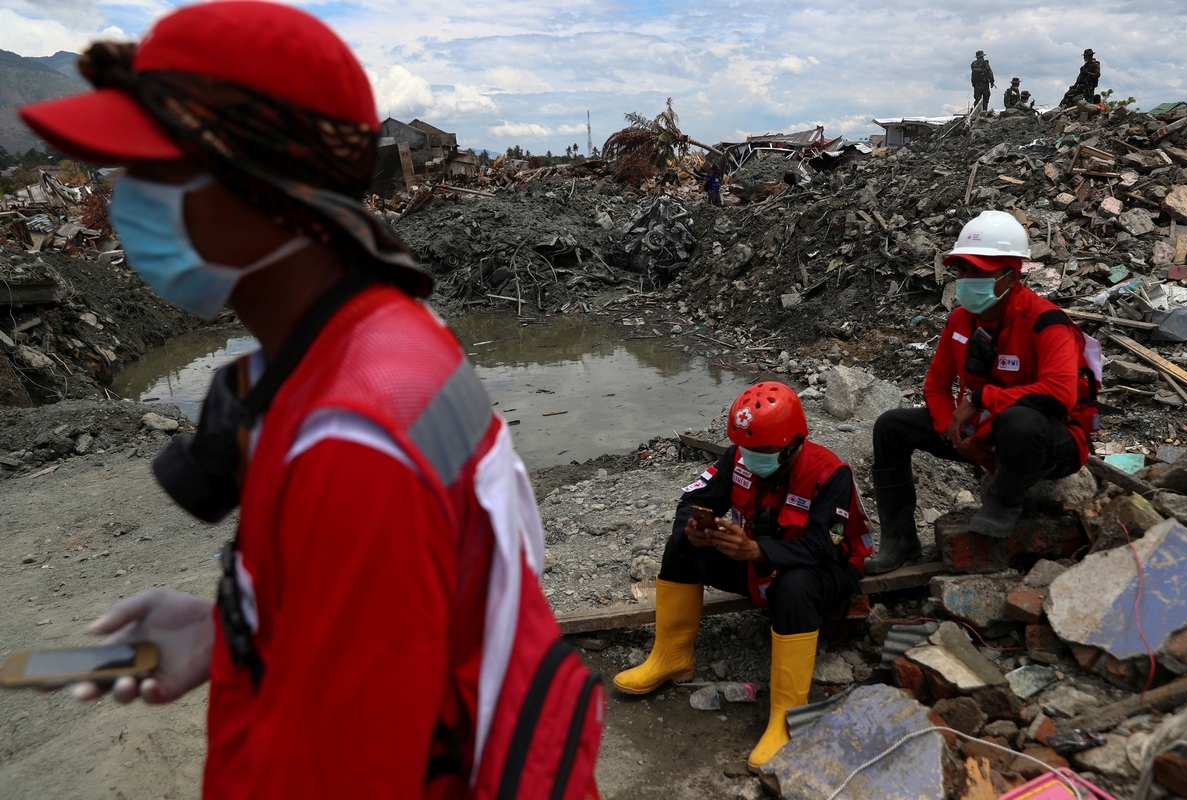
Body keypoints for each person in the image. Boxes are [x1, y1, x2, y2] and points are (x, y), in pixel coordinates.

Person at [19, 4, 599, 798]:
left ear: (261, 190)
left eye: (151, 175)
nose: (125, 206)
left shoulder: (349, 441)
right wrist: (236, 630)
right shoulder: (386, 336)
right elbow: (417, 602)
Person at [614, 382, 872, 770]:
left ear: (794, 443)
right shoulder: (738, 458)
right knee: (682, 545)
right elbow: (692, 500)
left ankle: (786, 715)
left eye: (764, 452)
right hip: (757, 561)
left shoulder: (828, 473)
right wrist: (694, 528)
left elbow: (825, 548)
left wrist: (759, 551)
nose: (752, 460)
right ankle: (672, 657)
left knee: (794, 584)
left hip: (824, 572)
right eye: (747, 450)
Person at [864, 211, 1095, 575]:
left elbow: (1060, 394)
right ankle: (899, 541)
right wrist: (951, 435)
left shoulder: (1046, 322)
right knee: (891, 426)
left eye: (977, 272)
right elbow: (937, 386)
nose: (965, 281)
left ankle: (1003, 502)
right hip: (980, 436)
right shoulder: (961, 320)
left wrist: (980, 400)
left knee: (1020, 421)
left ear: (1011, 278)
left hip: (1050, 442)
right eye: (962, 271)